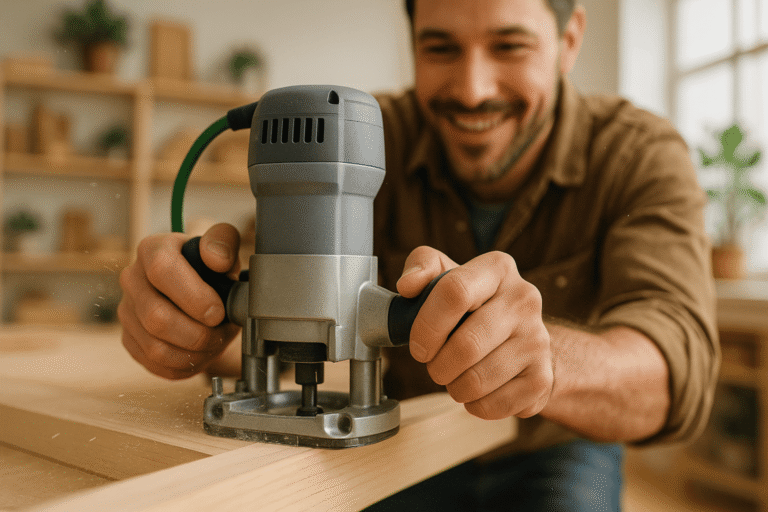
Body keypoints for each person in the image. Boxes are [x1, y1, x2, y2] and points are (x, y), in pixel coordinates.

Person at [118, 0, 720, 510]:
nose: (472, 89)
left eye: (508, 47)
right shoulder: (360, 133)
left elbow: (674, 370)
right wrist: (184, 317)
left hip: (553, 447)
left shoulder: (638, 153)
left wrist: (546, 361)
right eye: (440, 49)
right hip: (401, 440)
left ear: (568, 40)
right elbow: (243, 321)